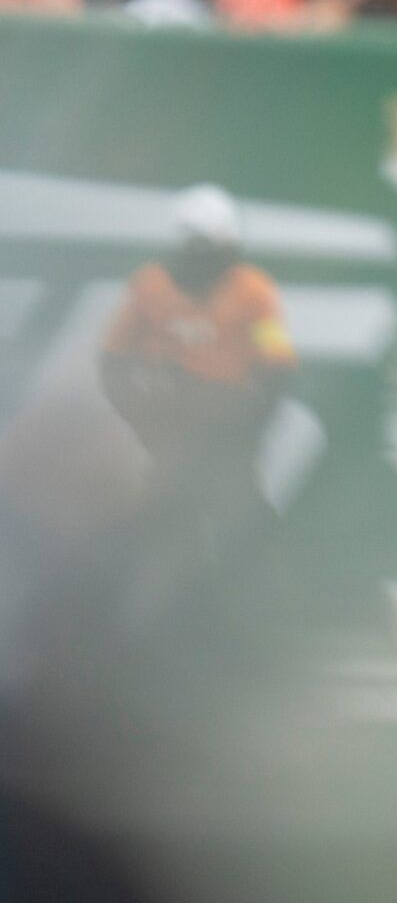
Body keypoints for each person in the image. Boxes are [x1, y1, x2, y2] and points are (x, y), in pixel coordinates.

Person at [98, 185, 296, 607]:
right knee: (163, 524)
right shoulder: (149, 286)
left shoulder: (253, 290)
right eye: (194, 243)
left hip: (227, 428)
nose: (201, 255)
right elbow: (113, 359)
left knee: (243, 524)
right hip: (172, 427)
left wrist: (252, 426)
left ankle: (252, 610)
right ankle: (166, 614)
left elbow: (276, 363)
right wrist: (141, 417)